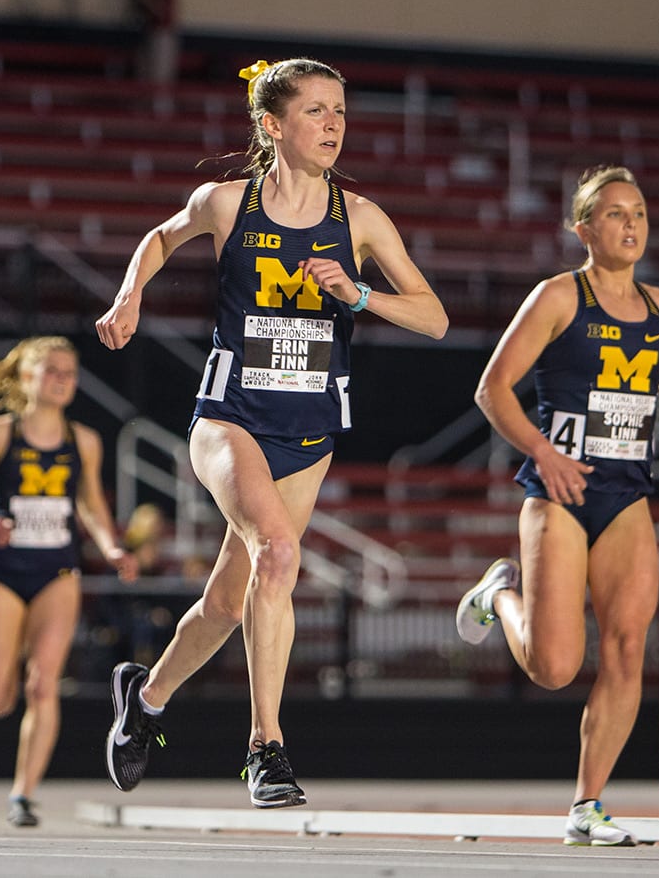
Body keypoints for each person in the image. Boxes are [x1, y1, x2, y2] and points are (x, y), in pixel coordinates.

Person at [95, 57, 448, 808]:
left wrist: (361, 294)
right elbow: (161, 236)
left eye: (341, 113)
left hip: (309, 428)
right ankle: (267, 748)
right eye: (317, 111)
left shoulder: (362, 220)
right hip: (230, 418)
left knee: (232, 598)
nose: (333, 125)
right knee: (280, 555)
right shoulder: (228, 203)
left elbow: (435, 316)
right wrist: (130, 295)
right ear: (272, 125)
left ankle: (145, 698)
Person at [455, 165, 659, 847]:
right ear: (584, 229)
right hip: (559, 491)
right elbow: (492, 390)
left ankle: (587, 806)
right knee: (553, 668)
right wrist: (542, 453)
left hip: (626, 494)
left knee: (625, 651)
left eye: (639, 212)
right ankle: (501, 595)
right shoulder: (558, 297)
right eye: (615, 213)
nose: (631, 224)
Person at [0, 335, 138, 828]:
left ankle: (22, 795)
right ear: (27, 378)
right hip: (5, 570)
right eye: (52, 370)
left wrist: (111, 545)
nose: (62, 380)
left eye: (70, 373)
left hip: (57, 569)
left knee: (44, 685)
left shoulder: (84, 441)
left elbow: (91, 504)